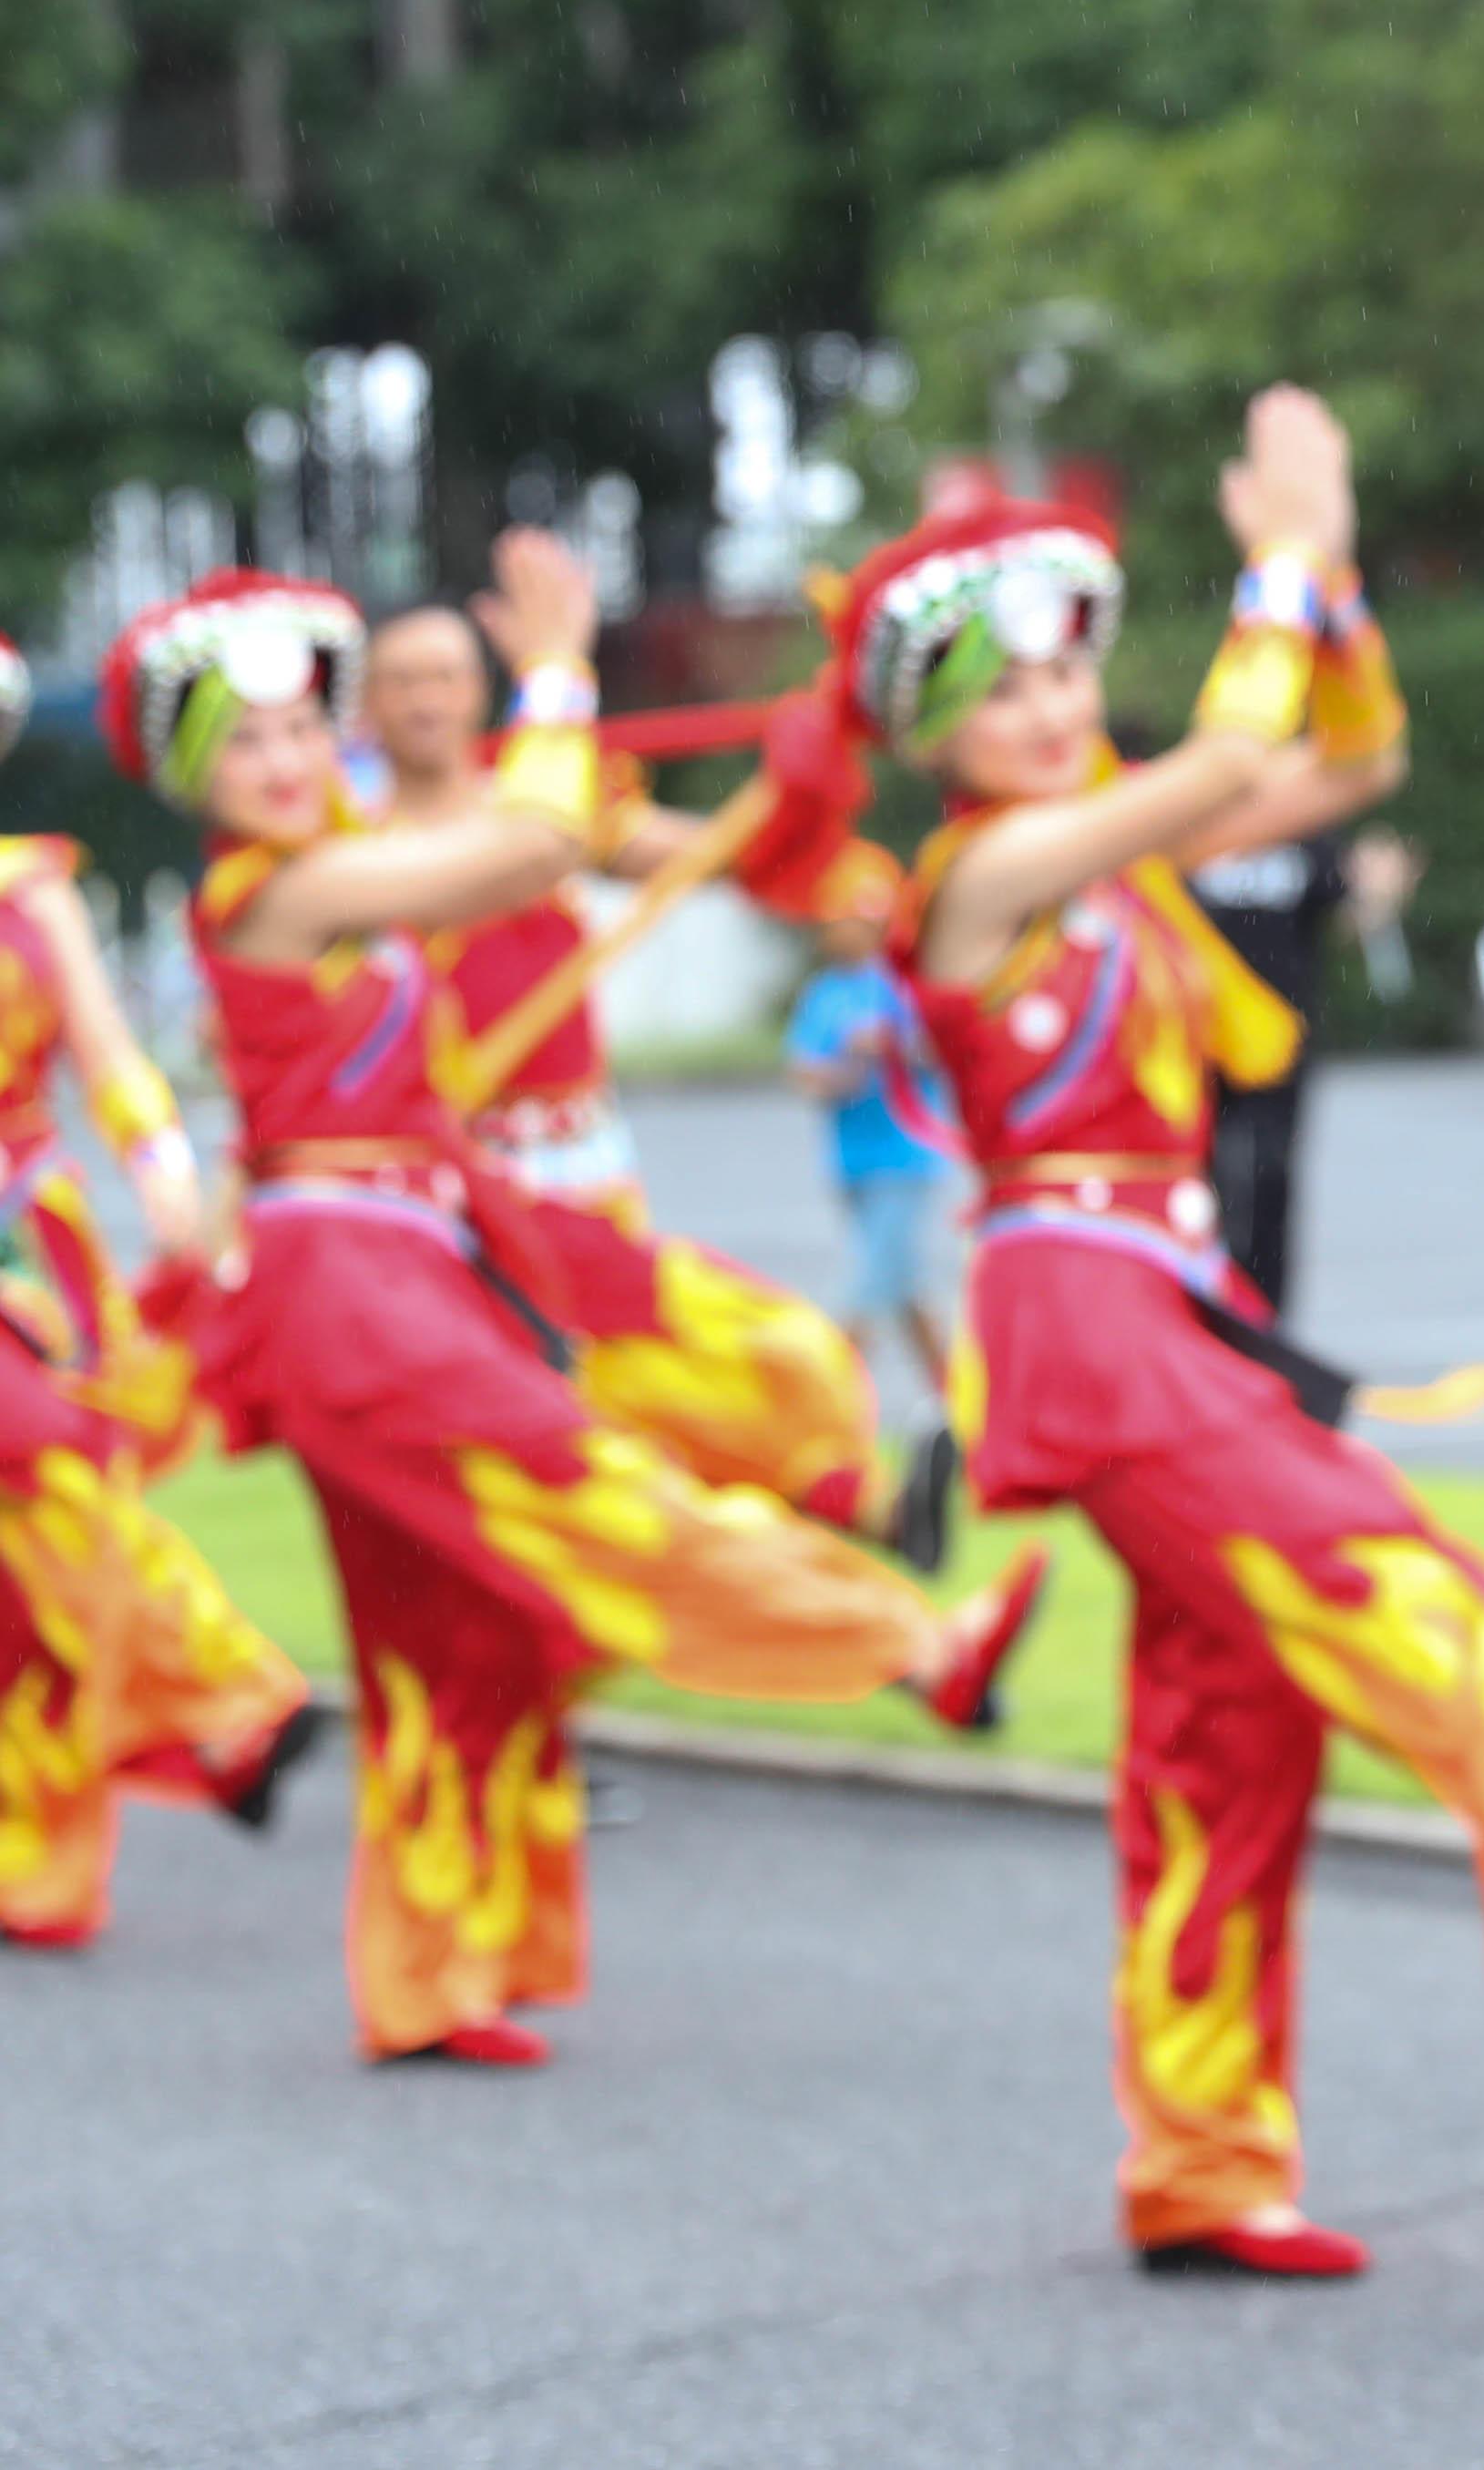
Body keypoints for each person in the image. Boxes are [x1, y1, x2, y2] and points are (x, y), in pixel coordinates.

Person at [854, 388, 1484, 2280]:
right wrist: (1282, 560)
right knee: (1397, 1584)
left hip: (1176, 1307)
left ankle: (1203, 2161)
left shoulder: (1105, 861)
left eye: (1063, 678)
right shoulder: (986, 875)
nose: (1053, 716)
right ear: (938, 739)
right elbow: (1231, 750)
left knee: (1228, 1738)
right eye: (1003, 698)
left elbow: (1348, 756)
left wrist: (1337, 579)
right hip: (1088, 1313)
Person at [109, 550, 1044, 2065]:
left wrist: (804, 755)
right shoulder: (280, 885)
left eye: (301, 730)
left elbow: (617, 840)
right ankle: (915, 1643)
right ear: (202, 775)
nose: (287, 761)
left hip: (430, 1257)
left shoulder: (350, 864)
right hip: (359, 1294)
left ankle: (434, 1975)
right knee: (604, 1502)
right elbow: (536, 840)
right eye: (250, 742)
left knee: (451, 1640)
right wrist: (561, 668)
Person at [357, 601, 903, 1542]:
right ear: (365, 705)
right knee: (548, 1404)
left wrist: (803, 813)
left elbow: (712, 859)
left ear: (480, 690)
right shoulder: (352, 849)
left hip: (578, 1149)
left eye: (445, 675)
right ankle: (821, 1515)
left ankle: (819, 1504)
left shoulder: (548, 808)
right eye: (403, 679)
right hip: (449, 1166)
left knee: (636, 1363)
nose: (426, 699)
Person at [0, 640, 320, 1952]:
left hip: (27, 1236)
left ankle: (45, 1854)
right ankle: (218, 1696)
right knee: (36, 1498)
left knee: (46, 1499)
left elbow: (108, 1052)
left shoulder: (33, 889)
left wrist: (162, 1164)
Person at [780, 874, 958, 1412]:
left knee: (865, 1285)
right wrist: (848, 1061)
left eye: (844, 919)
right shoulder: (824, 993)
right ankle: (961, 1406)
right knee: (905, 1291)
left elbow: (947, 1048)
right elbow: (807, 1075)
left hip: (906, 1158)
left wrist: (893, 1042)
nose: (833, 931)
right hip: (851, 1162)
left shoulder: (907, 983)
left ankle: (827, 1411)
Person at [1182, 818, 1344, 1314]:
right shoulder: (1184, 819)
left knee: (1272, 1173)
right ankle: (1202, 1306)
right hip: (1197, 1039)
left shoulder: (1304, 827)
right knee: (1196, 1178)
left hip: (1281, 1038)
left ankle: (1267, 1316)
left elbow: (1339, 904)